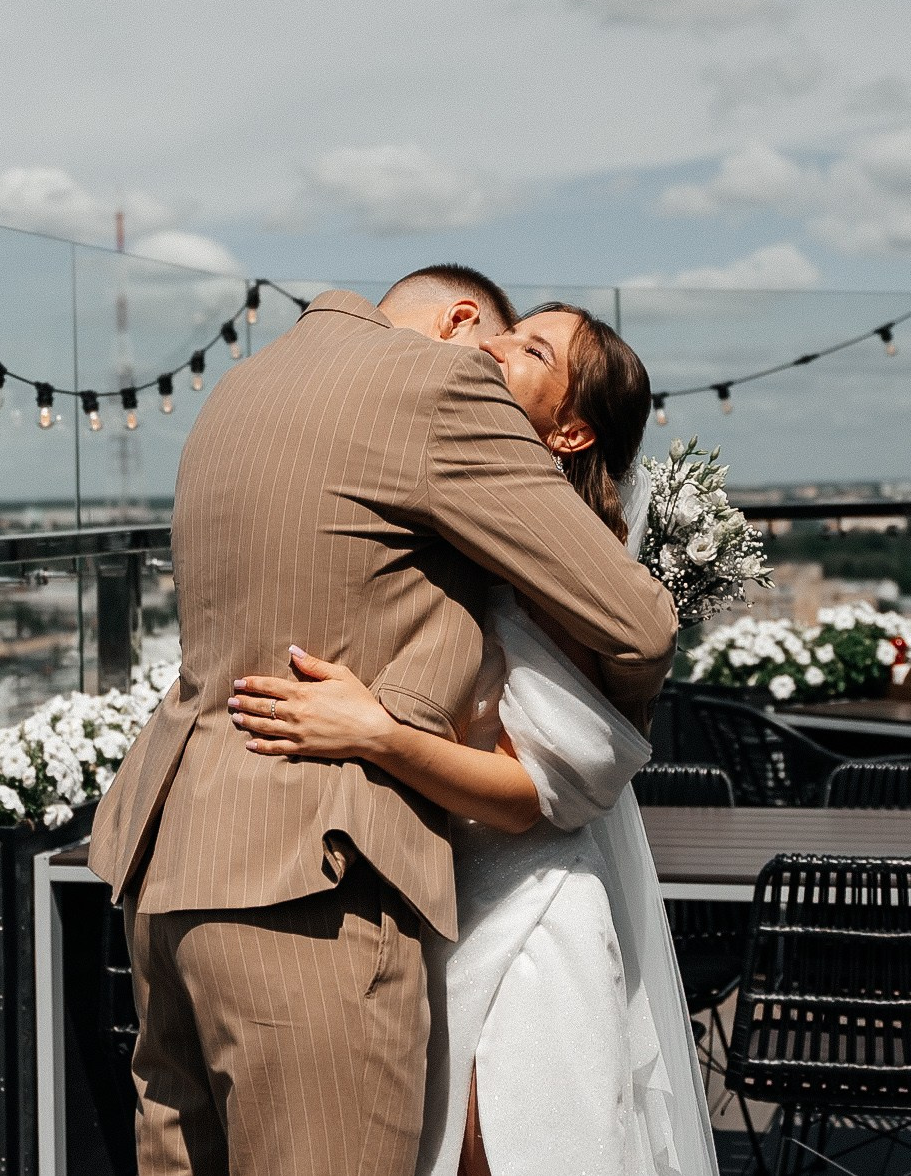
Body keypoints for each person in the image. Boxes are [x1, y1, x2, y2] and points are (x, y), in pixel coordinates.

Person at [88, 269, 679, 1176]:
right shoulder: (434, 387)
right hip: (310, 886)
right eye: (500, 343)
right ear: (459, 321)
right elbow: (641, 624)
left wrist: (571, 732)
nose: (492, 366)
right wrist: (619, 719)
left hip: (173, 872)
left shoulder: (247, 385)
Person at [227, 304, 719, 1176]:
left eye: (531, 350)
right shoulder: (469, 533)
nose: (494, 345)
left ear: (570, 432)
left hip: (528, 916)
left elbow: (534, 798)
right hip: (439, 903)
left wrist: (375, 733)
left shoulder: (576, 587)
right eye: (510, 330)